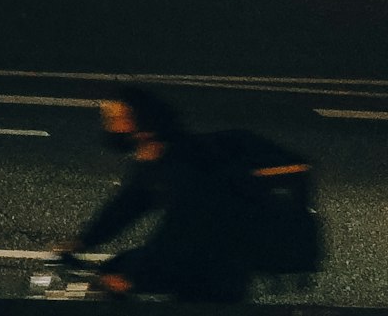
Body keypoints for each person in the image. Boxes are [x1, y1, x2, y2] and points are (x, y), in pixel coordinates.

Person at [62, 86, 315, 300]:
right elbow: (127, 206)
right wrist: (83, 241)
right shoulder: (154, 158)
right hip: (201, 257)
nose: (109, 128)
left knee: (133, 277)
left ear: (145, 126)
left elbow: (183, 229)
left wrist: (133, 279)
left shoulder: (186, 164)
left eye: (116, 120)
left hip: (218, 264)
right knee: (118, 268)